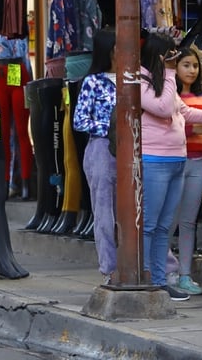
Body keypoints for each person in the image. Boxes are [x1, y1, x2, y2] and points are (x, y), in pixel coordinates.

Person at [140, 32, 202, 301]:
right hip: (155, 160)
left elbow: (184, 111)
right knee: (151, 224)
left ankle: (160, 281)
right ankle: (146, 277)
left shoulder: (163, 80)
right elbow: (161, 108)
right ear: (160, 56)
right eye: (170, 54)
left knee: (162, 227)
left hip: (177, 159)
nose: (174, 58)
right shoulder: (141, 80)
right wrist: (171, 74)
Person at [71, 27, 117, 285]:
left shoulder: (133, 78)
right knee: (104, 213)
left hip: (131, 149)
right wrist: (109, 128)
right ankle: (110, 268)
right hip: (101, 148)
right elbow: (79, 120)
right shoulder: (93, 82)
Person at [171, 46, 202, 296]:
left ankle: (185, 275)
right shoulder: (169, 97)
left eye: (195, 66)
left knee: (188, 221)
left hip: (200, 161)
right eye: (186, 65)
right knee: (170, 221)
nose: (191, 70)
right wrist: (191, 130)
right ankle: (164, 270)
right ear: (175, 69)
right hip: (175, 161)